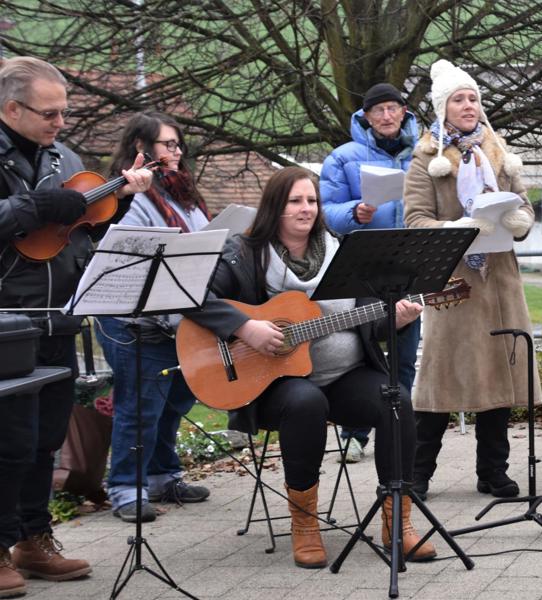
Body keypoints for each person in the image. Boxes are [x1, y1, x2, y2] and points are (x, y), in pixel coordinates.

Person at [183, 166, 435, 568]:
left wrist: (395, 320)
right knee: (306, 402)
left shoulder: (341, 251)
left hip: (346, 376)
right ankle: (305, 525)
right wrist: (245, 327)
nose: (306, 209)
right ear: (274, 207)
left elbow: (366, 323)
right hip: (273, 384)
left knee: (396, 399)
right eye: (295, 201)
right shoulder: (244, 254)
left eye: (312, 201)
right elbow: (192, 295)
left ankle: (398, 520)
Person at [0, 57, 152, 596]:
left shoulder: (63, 156)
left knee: (44, 439)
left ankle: (33, 541)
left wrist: (107, 208)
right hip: (8, 321)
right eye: (50, 113)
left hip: (61, 315)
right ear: (11, 108)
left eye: (64, 112)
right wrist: (31, 205)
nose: (60, 123)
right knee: (9, 440)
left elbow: (75, 228)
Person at [403, 59, 540, 500]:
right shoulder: (426, 159)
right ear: (443, 109)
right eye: (459, 99)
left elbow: (523, 207)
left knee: (499, 375)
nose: (468, 105)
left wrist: (519, 218)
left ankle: (492, 472)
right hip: (453, 282)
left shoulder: (499, 152)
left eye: (473, 98)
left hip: (499, 279)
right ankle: (418, 472)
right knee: (441, 378)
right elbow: (415, 221)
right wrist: (458, 230)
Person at [95, 112, 211, 523]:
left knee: (177, 398)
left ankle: (162, 475)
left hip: (177, 314)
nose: (177, 152)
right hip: (131, 319)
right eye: (168, 145)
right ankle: (126, 487)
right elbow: (119, 247)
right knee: (139, 405)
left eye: (179, 144)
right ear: (142, 150)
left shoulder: (183, 194)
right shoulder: (127, 198)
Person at [319, 83, 421, 463]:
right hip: (361, 269)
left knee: (405, 354)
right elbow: (326, 211)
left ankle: (398, 427)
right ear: (365, 117)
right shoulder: (342, 157)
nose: (386, 116)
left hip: (410, 267)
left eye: (393, 108)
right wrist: (353, 214)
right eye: (378, 111)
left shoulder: (424, 155)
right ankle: (354, 433)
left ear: (405, 112)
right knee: (362, 351)